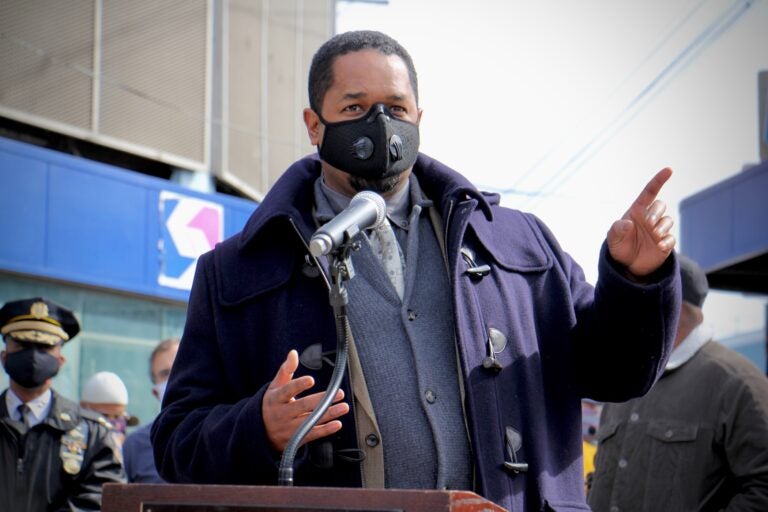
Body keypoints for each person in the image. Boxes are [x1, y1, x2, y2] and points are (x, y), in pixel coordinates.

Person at [152, 30, 681, 510]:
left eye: (396, 107)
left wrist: (636, 281)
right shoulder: (236, 269)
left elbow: (617, 372)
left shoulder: (517, 242)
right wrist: (259, 429)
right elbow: (176, 440)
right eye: (355, 106)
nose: (381, 126)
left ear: (419, 119)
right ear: (314, 125)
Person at [588, 255, 768, 511]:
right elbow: (603, 476)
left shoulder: (738, 384)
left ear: (670, 303)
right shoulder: (627, 377)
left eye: (634, 298)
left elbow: (762, 490)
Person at [0, 297, 126, 512]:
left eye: (44, 347)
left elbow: (103, 500)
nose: (33, 356)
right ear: (4, 357)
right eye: (22, 345)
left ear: (60, 361)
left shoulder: (93, 433)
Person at [123, 338, 179, 483]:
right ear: (155, 392)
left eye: (181, 367)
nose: (175, 378)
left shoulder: (221, 434)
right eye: (165, 373)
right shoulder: (134, 446)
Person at [80, 370, 139, 449]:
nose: (112, 424)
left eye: (117, 417)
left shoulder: (131, 451)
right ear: (84, 408)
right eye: (104, 416)